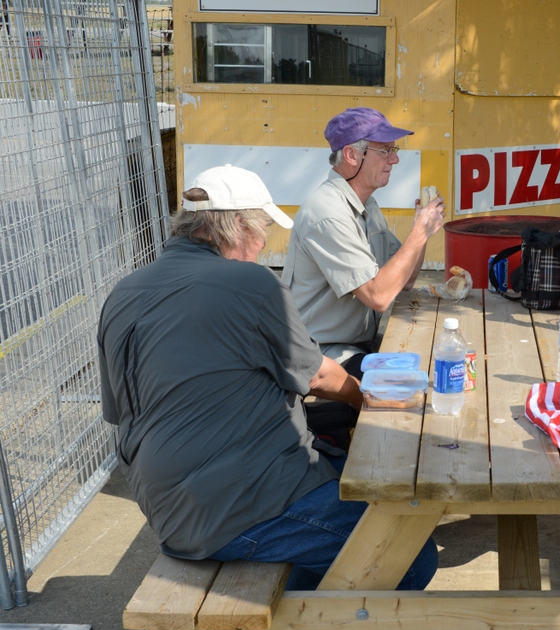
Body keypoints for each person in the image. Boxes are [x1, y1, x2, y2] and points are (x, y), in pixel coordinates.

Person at [97, 165, 438, 591]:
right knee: (407, 554)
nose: (262, 246)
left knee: (346, 472)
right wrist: (364, 399)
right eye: (261, 232)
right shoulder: (249, 282)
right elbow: (316, 376)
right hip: (238, 504)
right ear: (237, 227)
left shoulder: (125, 290)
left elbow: (119, 410)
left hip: (163, 503)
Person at [284, 107, 445, 376]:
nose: (394, 160)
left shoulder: (366, 204)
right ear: (351, 155)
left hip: (354, 346)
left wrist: (424, 233)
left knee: (431, 359)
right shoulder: (328, 213)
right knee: (411, 383)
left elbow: (404, 281)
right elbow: (379, 296)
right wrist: (418, 232)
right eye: (385, 150)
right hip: (319, 354)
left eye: (394, 149)